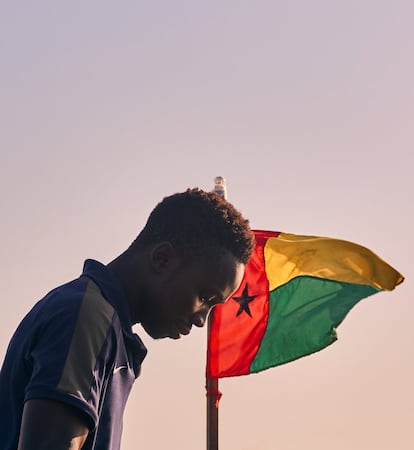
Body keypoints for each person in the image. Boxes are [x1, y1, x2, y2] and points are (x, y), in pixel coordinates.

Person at [0, 188, 255, 450]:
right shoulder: (87, 317)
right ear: (162, 259)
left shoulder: (106, 326)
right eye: (205, 297)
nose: (203, 320)